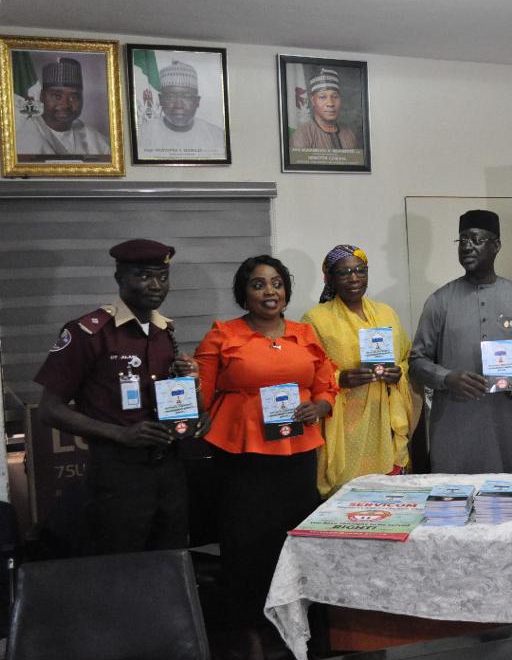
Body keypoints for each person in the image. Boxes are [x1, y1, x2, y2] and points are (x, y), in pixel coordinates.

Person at [194, 255, 337, 659]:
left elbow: (327, 386)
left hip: (297, 456)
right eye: (258, 285)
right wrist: (183, 380)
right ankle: (251, 636)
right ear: (244, 294)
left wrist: (319, 407)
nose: (269, 291)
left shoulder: (305, 334)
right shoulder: (223, 335)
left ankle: (299, 631)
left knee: (295, 542)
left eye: (276, 283)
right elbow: (200, 396)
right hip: (243, 460)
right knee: (246, 548)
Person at [34, 239, 197, 554]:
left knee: (171, 560)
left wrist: (190, 388)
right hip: (118, 473)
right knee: (121, 566)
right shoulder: (88, 333)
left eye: (162, 277)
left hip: (169, 470)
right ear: (119, 277)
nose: (155, 285)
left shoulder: (164, 332)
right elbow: (50, 410)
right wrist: (120, 433)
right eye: (143, 275)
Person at [410, 209, 512, 472]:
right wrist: (447, 378)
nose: (467, 247)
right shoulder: (440, 300)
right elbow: (417, 361)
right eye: (462, 240)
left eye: (476, 240)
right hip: (456, 423)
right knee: (455, 491)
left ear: (496, 245)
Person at [302, 244, 415, 497]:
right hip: (346, 426)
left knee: (391, 499)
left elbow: (407, 356)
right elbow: (306, 373)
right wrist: (339, 378)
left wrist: (399, 372)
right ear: (329, 278)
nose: (354, 278)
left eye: (360, 270)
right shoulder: (316, 319)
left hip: (387, 419)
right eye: (344, 272)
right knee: (349, 499)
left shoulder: (386, 312)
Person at [16, 57, 111, 156]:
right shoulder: (23, 138)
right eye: (56, 96)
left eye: (73, 97)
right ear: (42, 96)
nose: (65, 105)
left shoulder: (98, 142)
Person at [137, 60, 225, 158]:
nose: (178, 105)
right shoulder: (142, 135)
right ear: (161, 100)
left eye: (186, 96)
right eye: (170, 97)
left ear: (197, 101)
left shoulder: (217, 137)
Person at [289, 67, 359, 150]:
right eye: (322, 97)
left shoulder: (348, 133)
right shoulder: (302, 135)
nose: (330, 103)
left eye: (335, 96)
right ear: (313, 101)